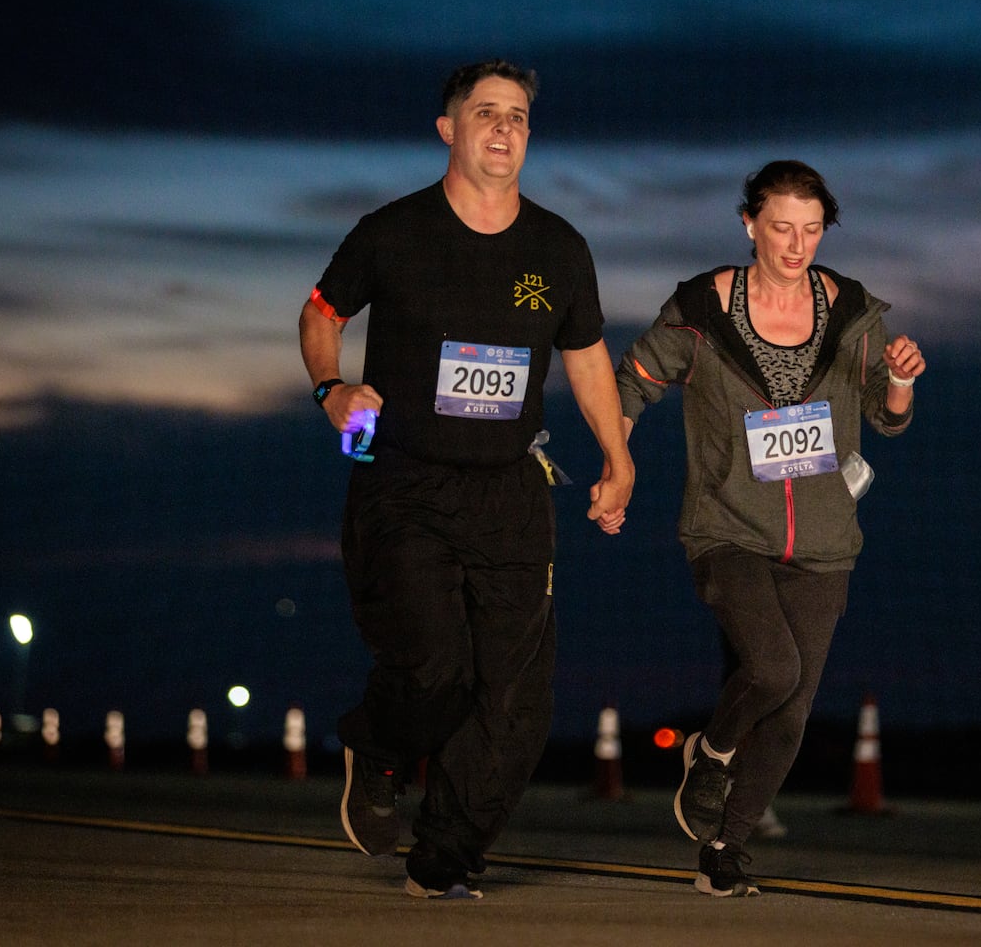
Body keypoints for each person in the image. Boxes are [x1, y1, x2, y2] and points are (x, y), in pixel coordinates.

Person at [298, 59, 634, 900]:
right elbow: (320, 313)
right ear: (448, 130)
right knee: (434, 671)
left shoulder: (557, 248)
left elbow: (586, 356)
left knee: (518, 699)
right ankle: (377, 745)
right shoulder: (393, 232)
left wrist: (617, 457)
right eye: (484, 113)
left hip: (509, 489)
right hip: (402, 481)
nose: (502, 129)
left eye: (517, 116)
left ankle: (444, 853)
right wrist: (331, 387)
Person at [603, 160, 924, 897]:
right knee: (771, 671)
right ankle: (709, 754)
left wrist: (901, 377)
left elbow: (887, 417)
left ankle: (725, 849)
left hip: (823, 541)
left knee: (792, 712)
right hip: (727, 528)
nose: (795, 244)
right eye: (780, 226)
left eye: (811, 230)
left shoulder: (853, 314)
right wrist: (617, 466)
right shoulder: (701, 309)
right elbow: (633, 380)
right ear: (748, 222)